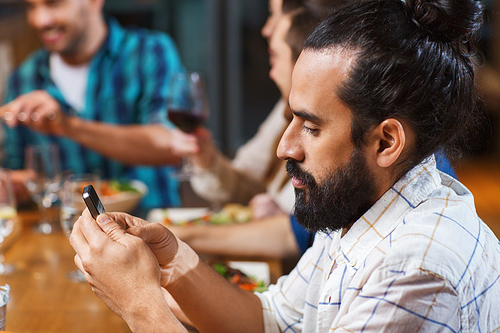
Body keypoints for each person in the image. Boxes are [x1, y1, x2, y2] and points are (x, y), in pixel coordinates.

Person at [69, 0, 500, 331]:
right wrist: (173, 260)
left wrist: (141, 307)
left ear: (386, 141)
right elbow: (272, 320)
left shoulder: (414, 271)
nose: (284, 147)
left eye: (310, 127)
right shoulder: (363, 203)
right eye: (291, 117)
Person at [0, 0, 185, 212]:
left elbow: (173, 145)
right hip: (63, 235)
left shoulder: (150, 52)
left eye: (54, 4)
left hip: (150, 231)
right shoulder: (22, 80)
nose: (40, 20)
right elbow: (19, 172)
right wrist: (13, 185)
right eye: (30, 7)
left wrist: (69, 126)